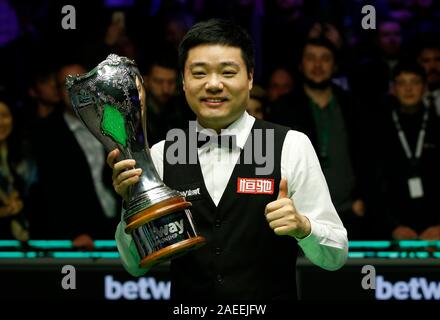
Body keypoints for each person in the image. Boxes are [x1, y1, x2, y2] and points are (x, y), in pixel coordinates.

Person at [108, 19, 347, 300]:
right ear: (183, 82)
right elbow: (134, 266)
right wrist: (131, 204)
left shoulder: (290, 145)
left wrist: (304, 228)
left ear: (250, 78)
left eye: (228, 72)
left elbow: (336, 256)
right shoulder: (161, 155)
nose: (213, 84)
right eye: (199, 73)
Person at [268, 37, 369, 240]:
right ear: (301, 64)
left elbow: (369, 158)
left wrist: (364, 199)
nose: (317, 65)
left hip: (351, 212)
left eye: (325, 59)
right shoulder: (282, 108)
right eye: (311, 58)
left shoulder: (353, 106)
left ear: (335, 65)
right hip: (299, 215)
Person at [378, 62, 440, 240]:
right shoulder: (380, 129)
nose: (408, 89)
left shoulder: (437, 126)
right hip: (395, 228)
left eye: (414, 82)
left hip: (436, 228)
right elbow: (375, 184)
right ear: (393, 89)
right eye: (402, 83)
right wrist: (393, 227)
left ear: (425, 87)